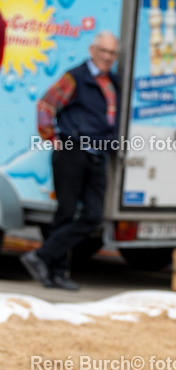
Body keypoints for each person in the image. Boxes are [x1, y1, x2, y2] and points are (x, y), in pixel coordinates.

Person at [21, 31, 120, 291]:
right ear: (92, 50)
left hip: (97, 156)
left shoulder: (113, 83)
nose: (108, 57)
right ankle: (54, 273)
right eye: (104, 51)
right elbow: (46, 105)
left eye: (112, 53)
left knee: (92, 215)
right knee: (65, 214)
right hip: (72, 153)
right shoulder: (75, 77)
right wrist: (54, 140)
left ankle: (41, 256)